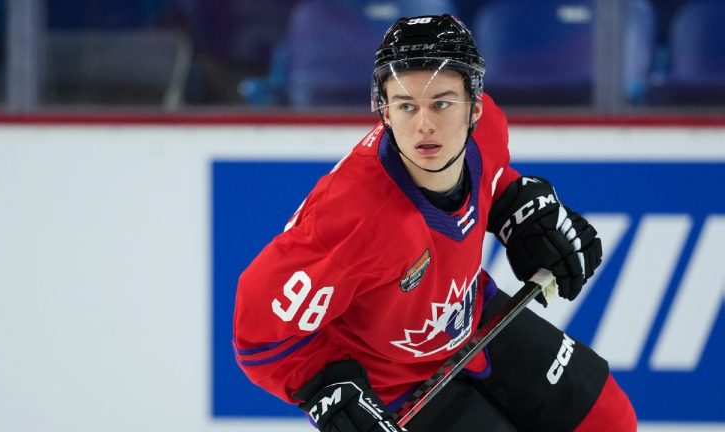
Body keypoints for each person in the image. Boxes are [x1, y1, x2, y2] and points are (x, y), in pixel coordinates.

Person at [233, 14, 637, 432]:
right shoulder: (352, 215)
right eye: (407, 106)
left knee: (609, 420)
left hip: (472, 312)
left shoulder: (489, 130)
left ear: (475, 106)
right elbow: (258, 335)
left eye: (442, 103)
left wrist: (519, 208)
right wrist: (324, 388)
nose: (424, 124)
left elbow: (492, 180)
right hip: (392, 378)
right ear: (385, 113)